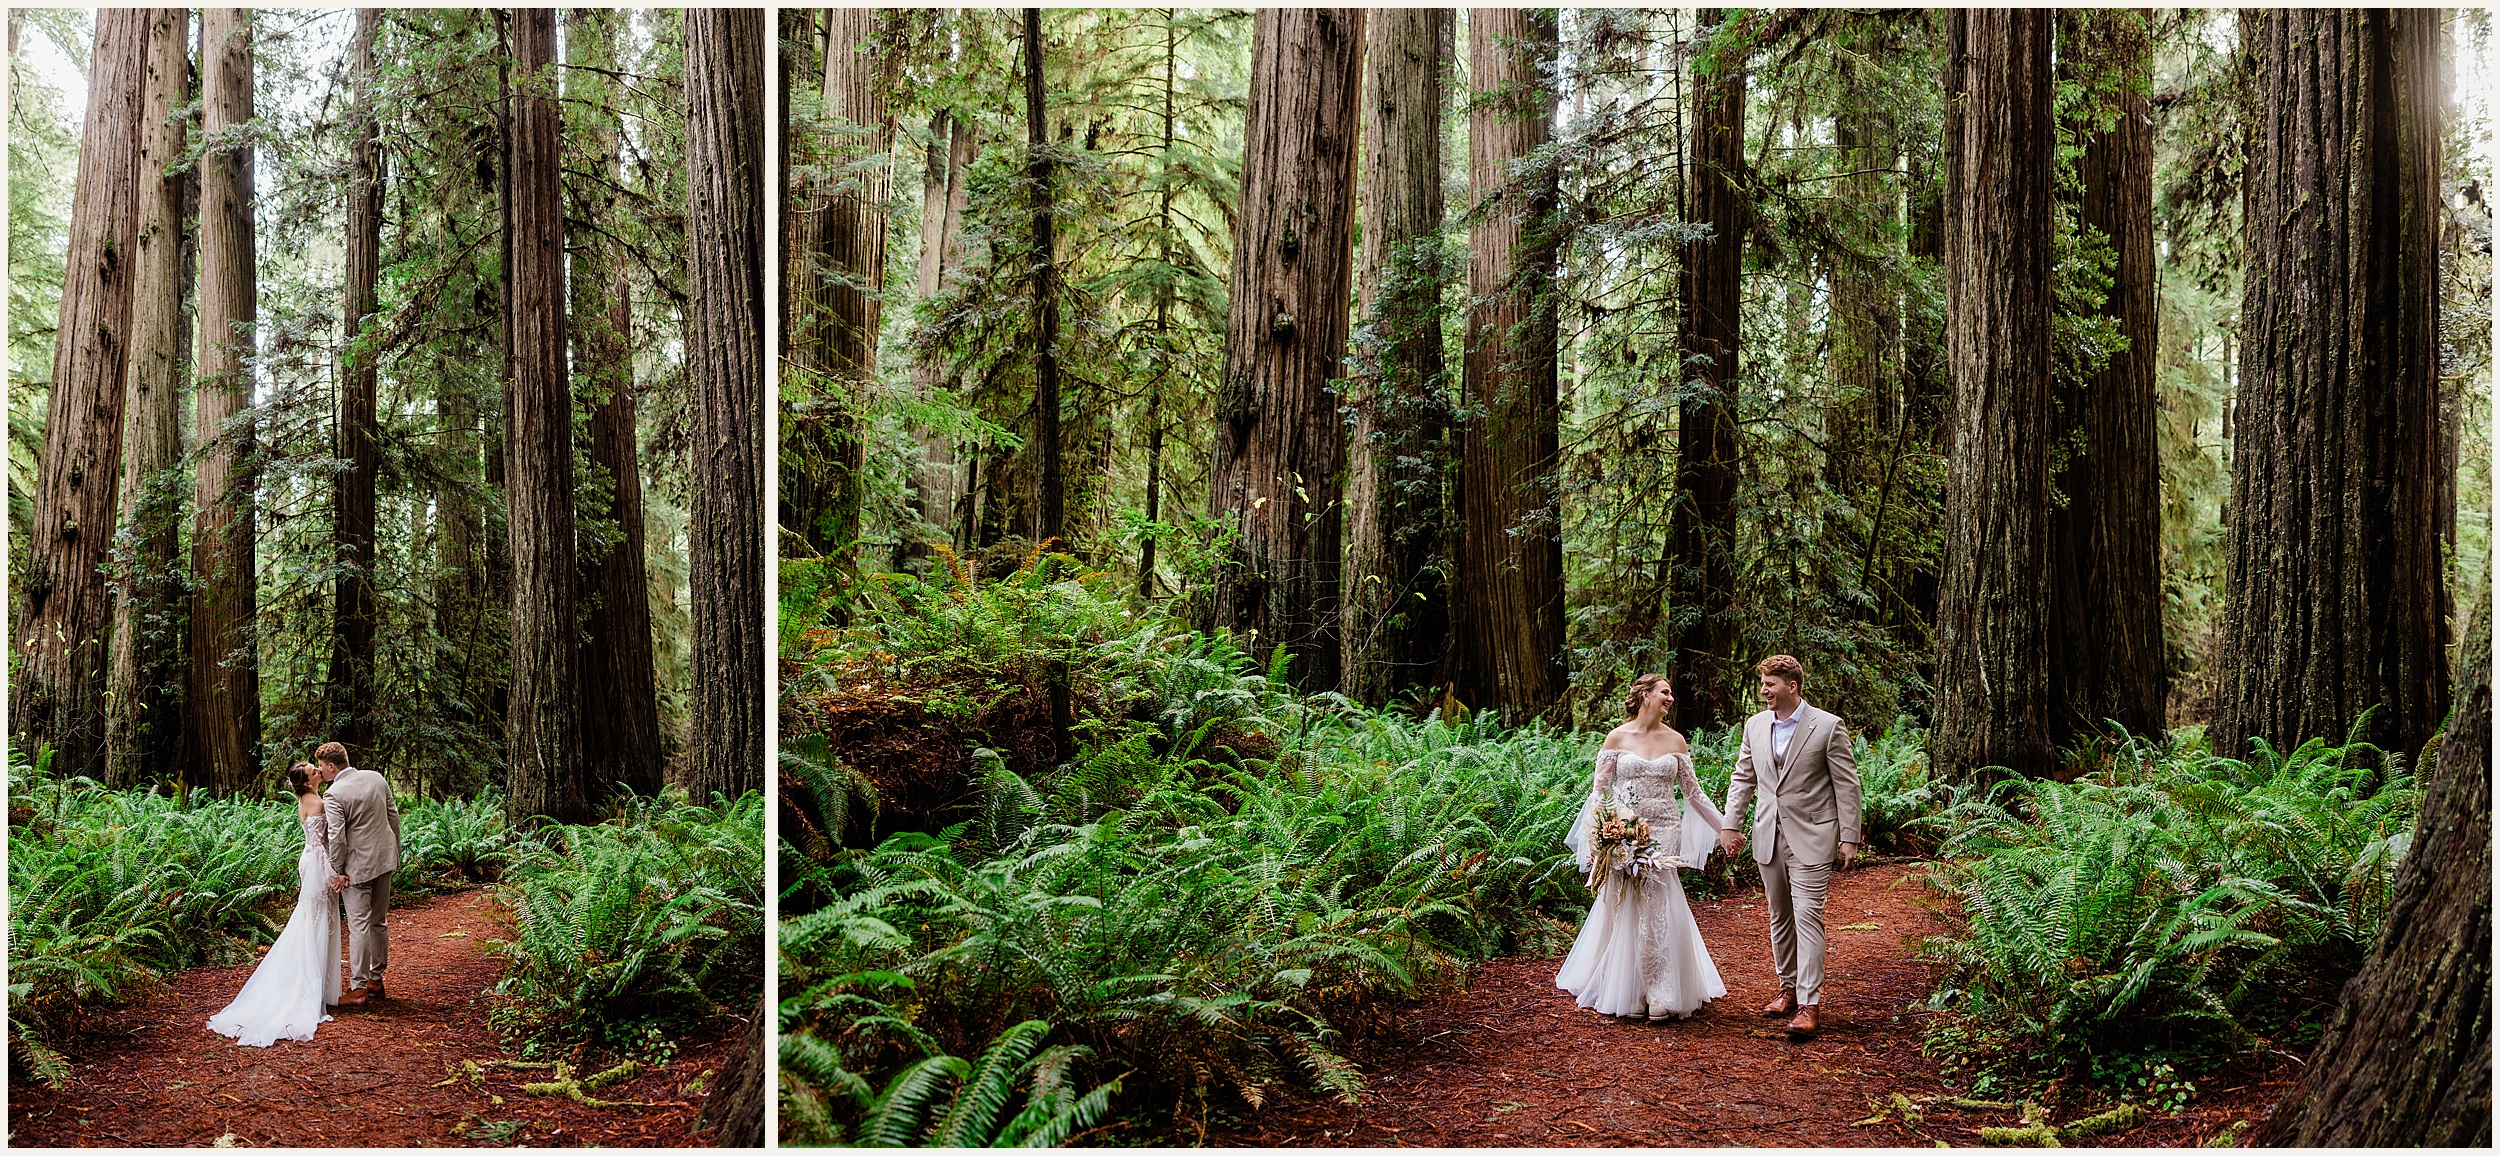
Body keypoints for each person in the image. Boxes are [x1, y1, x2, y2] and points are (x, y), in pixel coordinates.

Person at [1555, 673, 1729, 1020]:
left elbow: (1694, 795)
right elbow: (1600, 793)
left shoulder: (1676, 741)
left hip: (1664, 830)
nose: (1670, 699)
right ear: (1645, 696)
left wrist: (1727, 828)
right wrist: (1599, 836)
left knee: (1659, 906)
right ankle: (1630, 987)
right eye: (1665, 692)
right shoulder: (1617, 737)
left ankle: (1660, 989)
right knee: (1627, 904)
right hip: (1625, 832)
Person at [1719, 654, 1861, 1041]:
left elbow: (1846, 785)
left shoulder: (1828, 727)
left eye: (1769, 684)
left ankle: (1809, 1004)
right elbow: (1743, 777)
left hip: (1813, 836)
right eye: (1762, 683)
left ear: (1791, 686)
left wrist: (1849, 836)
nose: (1763, 690)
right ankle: (1787, 989)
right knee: (1778, 914)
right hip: (1768, 834)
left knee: (1807, 916)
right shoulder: (1755, 725)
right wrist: (1731, 824)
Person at [207, 762, 344, 1046]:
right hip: (318, 866)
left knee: (312, 920)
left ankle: (316, 987)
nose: (317, 770)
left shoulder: (307, 799)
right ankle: (309, 989)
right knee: (316, 923)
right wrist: (334, 874)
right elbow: (321, 845)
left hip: (309, 862)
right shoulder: (317, 802)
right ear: (307, 781)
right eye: (312, 769)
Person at [318, 741, 401, 1004]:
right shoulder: (376, 778)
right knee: (379, 921)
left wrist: (337, 870)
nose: (320, 772)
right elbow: (393, 817)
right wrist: (393, 851)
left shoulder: (334, 794)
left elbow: (337, 837)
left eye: (321, 767)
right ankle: (376, 980)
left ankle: (358, 988)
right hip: (385, 860)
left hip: (356, 869)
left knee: (359, 926)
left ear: (332, 766)